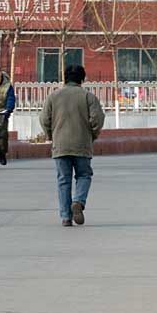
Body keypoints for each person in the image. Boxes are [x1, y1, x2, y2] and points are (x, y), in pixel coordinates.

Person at [40, 64, 105, 227]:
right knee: (84, 175)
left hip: (60, 145)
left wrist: (51, 135)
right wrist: (92, 135)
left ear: (65, 78)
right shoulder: (88, 97)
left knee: (63, 180)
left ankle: (66, 217)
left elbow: (44, 119)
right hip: (82, 144)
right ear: (82, 79)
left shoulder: (53, 96)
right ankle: (78, 201)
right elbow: (98, 119)